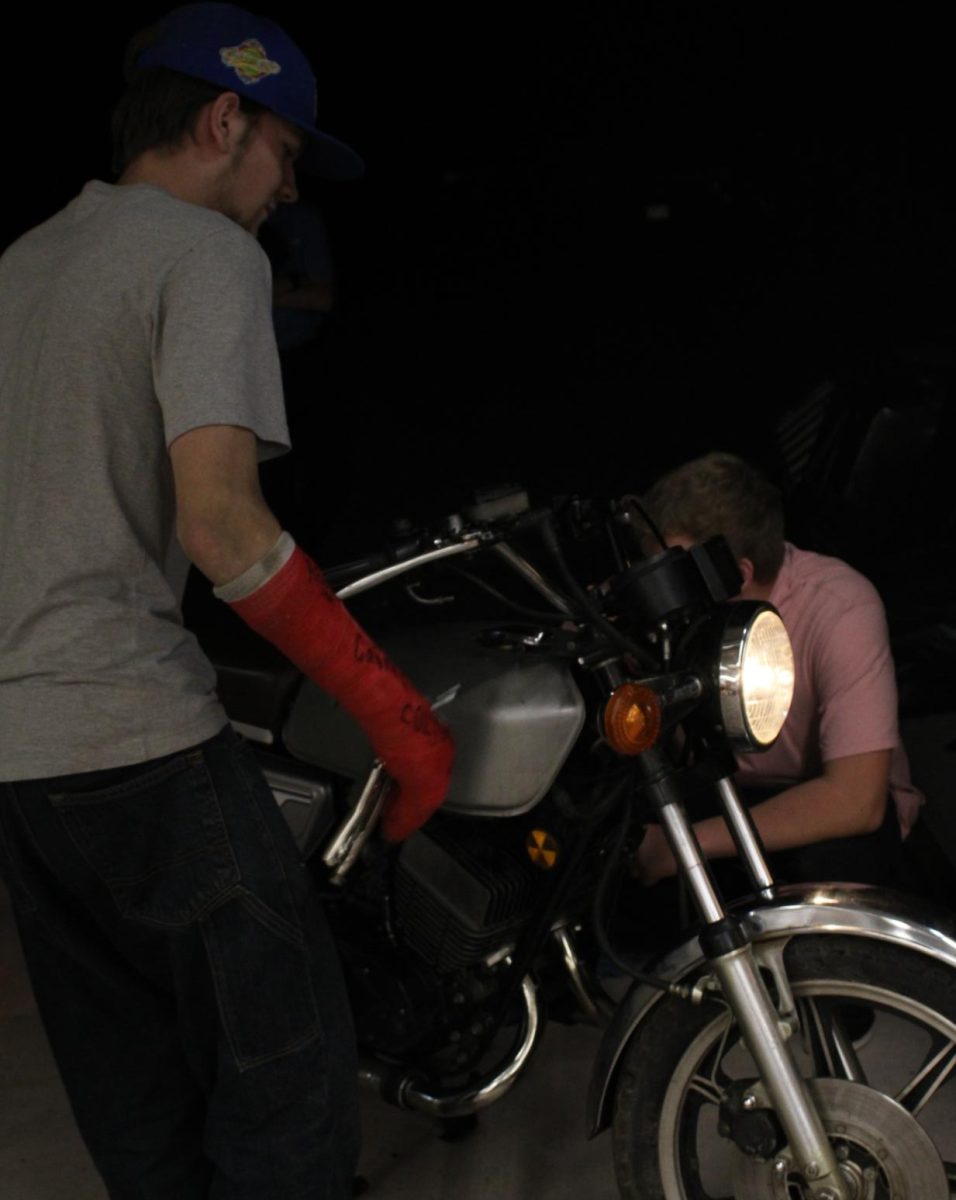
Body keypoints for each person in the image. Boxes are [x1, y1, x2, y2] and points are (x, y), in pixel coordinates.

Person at [0, 5, 453, 1198]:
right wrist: (391, 710)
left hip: (22, 768)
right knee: (288, 1085)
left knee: (137, 1098)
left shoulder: (25, 262)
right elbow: (225, 526)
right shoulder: (205, 256)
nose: (285, 195)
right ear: (222, 119)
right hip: (136, 738)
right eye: (285, 159)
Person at [632, 451, 922, 891]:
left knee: (826, 877)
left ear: (737, 575)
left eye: (672, 572)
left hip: (824, 803)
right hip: (722, 789)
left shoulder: (840, 607)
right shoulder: (679, 618)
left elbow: (856, 800)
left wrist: (686, 846)